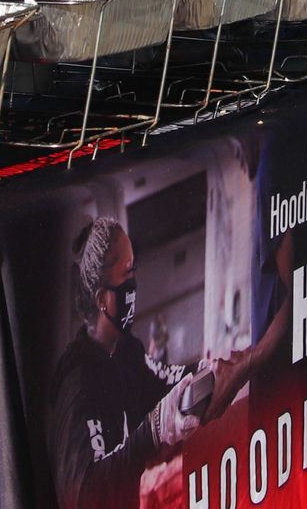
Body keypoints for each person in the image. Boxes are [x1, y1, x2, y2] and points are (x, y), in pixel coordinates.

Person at [47, 217, 251, 507]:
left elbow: (167, 381)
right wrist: (153, 431)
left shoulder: (126, 353)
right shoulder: (78, 385)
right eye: (127, 274)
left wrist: (218, 368)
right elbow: (87, 493)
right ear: (102, 299)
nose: (134, 285)